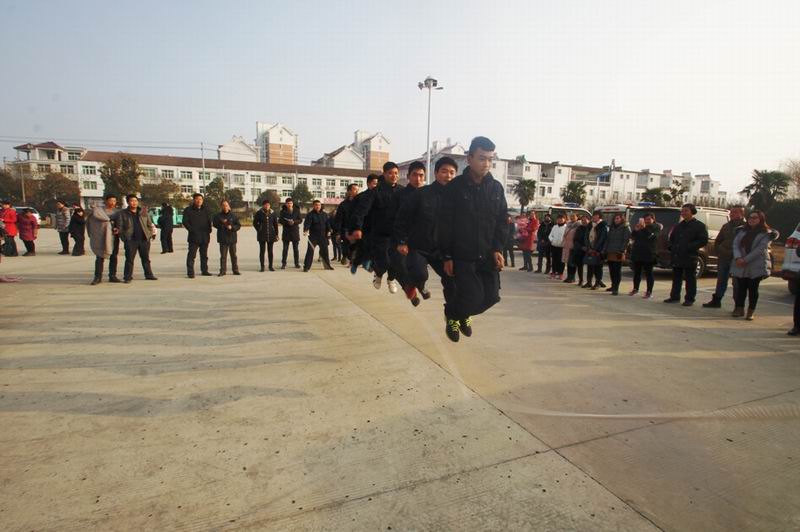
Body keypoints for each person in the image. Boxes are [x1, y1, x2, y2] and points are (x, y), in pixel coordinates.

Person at [438, 136, 507, 342]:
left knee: (492, 298)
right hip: (463, 257)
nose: (486, 164)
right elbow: (444, 225)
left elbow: (502, 222)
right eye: (481, 158)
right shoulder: (454, 188)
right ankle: (453, 316)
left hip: (487, 255)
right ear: (469, 158)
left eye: (490, 159)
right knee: (473, 298)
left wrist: (498, 249)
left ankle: (458, 313)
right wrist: (447, 256)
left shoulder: (496, 188)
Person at [395, 157, 459, 307]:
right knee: (419, 274)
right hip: (419, 247)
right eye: (444, 171)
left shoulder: (459, 198)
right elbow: (402, 218)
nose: (448, 176)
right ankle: (415, 283)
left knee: (453, 280)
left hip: (443, 250)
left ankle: (453, 313)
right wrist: (401, 241)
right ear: (436, 173)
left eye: (452, 172)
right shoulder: (421, 194)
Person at [351, 161, 405, 293]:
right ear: (384, 174)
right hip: (380, 234)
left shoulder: (403, 191)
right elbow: (361, 210)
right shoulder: (375, 192)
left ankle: (391, 279)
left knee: (397, 261)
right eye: (390, 173)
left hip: (398, 234)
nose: (394, 176)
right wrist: (357, 227)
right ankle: (379, 274)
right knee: (384, 261)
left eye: (396, 173)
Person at [730, 210, 778, 320]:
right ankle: (739, 308)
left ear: (761, 219)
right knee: (741, 288)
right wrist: (738, 257)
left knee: (753, 289)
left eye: (755, 218)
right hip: (740, 264)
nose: (751, 220)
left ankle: (751, 311)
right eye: (750, 217)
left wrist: (745, 260)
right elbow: (735, 245)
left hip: (756, 264)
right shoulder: (741, 231)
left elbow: (761, 249)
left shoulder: (766, 233)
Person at [664, 204, 708, 306]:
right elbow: (672, 238)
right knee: (676, 278)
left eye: (686, 211)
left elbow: (703, 240)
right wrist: (672, 247)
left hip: (690, 255)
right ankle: (674, 297)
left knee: (690, 278)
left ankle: (689, 299)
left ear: (692, 212)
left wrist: (689, 247)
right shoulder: (679, 226)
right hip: (677, 255)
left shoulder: (699, 226)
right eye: (682, 211)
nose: (683, 213)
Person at [703, 206, 745, 308]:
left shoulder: (745, 227)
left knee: (737, 283)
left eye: (735, 212)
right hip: (724, 257)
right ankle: (717, 300)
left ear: (741, 214)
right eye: (731, 212)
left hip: (737, 259)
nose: (731, 214)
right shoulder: (726, 226)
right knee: (721, 280)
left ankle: (738, 305)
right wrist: (719, 251)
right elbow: (718, 240)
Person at [117, 194, 157, 283]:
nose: (134, 203)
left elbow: (149, 224)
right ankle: (127, 277)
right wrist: (125, 238)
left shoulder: (143, 212)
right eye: (131, 201)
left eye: (135, 201)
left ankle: (149, 275)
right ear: (128, 202)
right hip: (131, 240)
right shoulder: (123, 213)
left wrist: (149, 234)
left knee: (146, 258)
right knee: (129, 259)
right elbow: (120, 227)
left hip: (144, 239)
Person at [346, 174, 379, 273]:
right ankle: (356, 263)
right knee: (363, 247)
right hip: (362, 226)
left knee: (374, 247)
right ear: (368, 184)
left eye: (378, 184)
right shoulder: (361, 197)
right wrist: (352, 229)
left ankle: (369, 264)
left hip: (376, 226)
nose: (376, 186)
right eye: (374, 184)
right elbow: (353, 214)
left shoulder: (380, 196)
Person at [87, 193, 122, 285]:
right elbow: (91, 223)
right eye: (110, 200)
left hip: (113, 237)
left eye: (114, 201)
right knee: (100, 257)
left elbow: (120, 223)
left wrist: (118, 229)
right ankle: (97, 277)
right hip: (101, 236)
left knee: (113, 256)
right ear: (106, 201)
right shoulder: (98, 211)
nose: (112, 202)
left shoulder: (117, 212)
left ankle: (112, 276)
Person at [629, 212, 661, 298]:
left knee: (649, 273)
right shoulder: (641, 227)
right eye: (645, 219)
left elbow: (652, 237)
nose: (647, 221)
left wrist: (644, 229)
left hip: (649, 253)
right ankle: (635, 288)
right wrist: (635, 230)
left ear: (653, 219)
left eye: (649, 219)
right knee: (637, 273)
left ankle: (649, 291)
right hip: (638, 252)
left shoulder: (656, 227)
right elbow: (632, 236)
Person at [182, 193, 213, 278]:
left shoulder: (206, 209)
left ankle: (204, 270)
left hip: (204, 236)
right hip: (194, 237)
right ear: (194, 200)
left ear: (202, 201)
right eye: (197, 199)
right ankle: (190, 272)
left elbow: (209, 220)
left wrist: (209, 230)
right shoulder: (188, 210)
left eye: (200, 199)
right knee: (192, 255)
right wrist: (192, 230)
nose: (199, 201)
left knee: (204, 255)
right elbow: (185, 222)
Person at [603, 213, 631, 295]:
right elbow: (607, 239)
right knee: (611, 270)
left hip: (618, 252)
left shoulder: (625, 227)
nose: (616, 220)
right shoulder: (611, 227)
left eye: (618, 218)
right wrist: (605, 250)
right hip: (610, 251)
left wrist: (622, 250)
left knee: (617, 271)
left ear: (622, 219)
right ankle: (613, 285)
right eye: (615, 218)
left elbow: (626, 240)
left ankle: (616, 288)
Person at [303, 200, 333, 271]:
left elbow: (327, 224)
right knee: (310, 251)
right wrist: (306, 230)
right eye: (316, 205)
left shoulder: (324, 214)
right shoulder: (310, 215)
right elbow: (307, 223)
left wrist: (329, 230)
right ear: (313, 206)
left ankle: (327, 266)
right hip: (313, 236)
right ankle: (306, 267)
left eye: (319, 205)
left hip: (323, 236)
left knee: (325, 251)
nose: (318, 206)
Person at [213, 200, 241, 276]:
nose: (225, 207)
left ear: (229, 206)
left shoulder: (233, 216)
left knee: (234, 256)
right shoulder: (218, 216)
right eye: (223, 205)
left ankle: (235, 270)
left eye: (226, 205)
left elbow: (238, 225)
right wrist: (223, 225)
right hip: (223, 239)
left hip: (232, 238)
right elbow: (215, 224)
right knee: (223, 256)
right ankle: (222, 271)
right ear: (221, 207)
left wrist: (232, 227)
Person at [333, 183, 360, 266]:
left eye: (358, 190)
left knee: (356, 247)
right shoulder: (343, 205)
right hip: (346, 230)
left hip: (357, 230)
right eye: (355, 190)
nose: (357, 192)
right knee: (346, 247)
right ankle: (345, 256)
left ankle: (352, 259)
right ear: (349, 191)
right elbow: (338, 220)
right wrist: (338, 233)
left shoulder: (361, 204)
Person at [583, 212, 608, 289]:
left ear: (599, 217)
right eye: (593, 216)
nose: (594, 217)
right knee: (590, 265)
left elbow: (602, 239)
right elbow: (586, 236)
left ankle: (597, 282)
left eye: (596, 216)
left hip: (598, 249)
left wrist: (595, 248)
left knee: (598, 267)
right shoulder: (590, 225)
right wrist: (588, 247)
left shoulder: (603, 226)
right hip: (590, 248)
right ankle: (589, 282)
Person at [253, 199, 279, 271]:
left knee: (270, 251)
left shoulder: (273, 213)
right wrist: (259, 229)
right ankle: (262, 266)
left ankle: (270, 266)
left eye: (268, 205)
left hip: (271, 234)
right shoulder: (259, 213)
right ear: (263, 205)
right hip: (262, 234)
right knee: (262, 251)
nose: (267, 206)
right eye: (266, 205)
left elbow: (275, 224)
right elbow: (255, 223)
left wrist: (276, 234)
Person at [279, 197, 302, 269]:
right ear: (286, 204)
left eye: (291, 203)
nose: (289, 204)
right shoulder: (283, 211)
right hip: (286, 232)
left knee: (296, 249)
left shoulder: (297, 210)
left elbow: (300, 220)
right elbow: (280, 220)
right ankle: (283, 263)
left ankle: (296, 263)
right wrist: (287, 222)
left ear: (292, 204)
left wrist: (294, 222)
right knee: (285, 249)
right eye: (288, 203)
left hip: (295, 232)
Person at [570, 215, 590, 286]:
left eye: (585, 220)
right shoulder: (579, 228)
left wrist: (588, 247)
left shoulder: (591, 228)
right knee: (579, 266)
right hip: (580, 250)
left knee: (591, 267)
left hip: (589, 249)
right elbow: (575, 240)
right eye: (582, 220)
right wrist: (581, 247)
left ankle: (589, 281)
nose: (584, 221)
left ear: (589, 220)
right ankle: (581, 280)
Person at [548, 214, 568, 280]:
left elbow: (567, 237)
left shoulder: (566, 227)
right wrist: (552, 240)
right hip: (554, 246)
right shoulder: (554, 227)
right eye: (558, 219)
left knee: (561, 261)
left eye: (561, 219)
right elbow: (550, 235)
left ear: (564, 219)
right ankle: (553, 273)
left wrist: (563, 242)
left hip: (562, 247)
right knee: (554, 260)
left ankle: (560, 274)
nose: (560, 220)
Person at [561, 214, 579, 283]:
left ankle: (572, 277)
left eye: (574, 217)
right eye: (571, 216)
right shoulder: (568, 224)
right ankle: (568, 277)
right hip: (567, 245)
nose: (572, 218)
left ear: (577, 217)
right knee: (568, 262)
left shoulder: (578, 225)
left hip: (573, 246)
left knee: (572, 262)